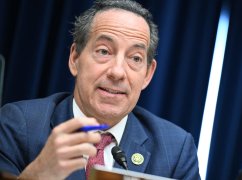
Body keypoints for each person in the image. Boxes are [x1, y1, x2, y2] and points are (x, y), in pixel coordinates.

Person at [0, 0, 200, 179]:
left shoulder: (175, 149)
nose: (117, 72)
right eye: (104, 51)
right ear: (75, 58)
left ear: (148, 74)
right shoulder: (19, 124)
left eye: (135, 58)